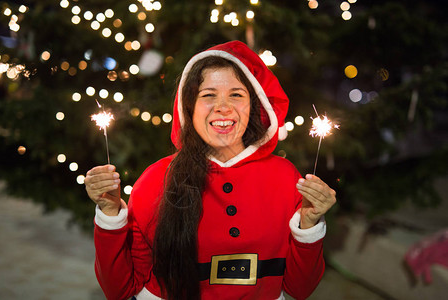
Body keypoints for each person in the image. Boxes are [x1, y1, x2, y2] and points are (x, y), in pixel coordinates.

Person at [85, 40, 336, 300]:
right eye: (208, 95)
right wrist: (110, 215)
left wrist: (308, 225)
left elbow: (300, 289)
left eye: (236, 95)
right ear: (189, 107)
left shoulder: (286, 177)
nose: (223, 107)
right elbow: (119, 290)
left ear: (255, 106)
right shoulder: (156, 179)